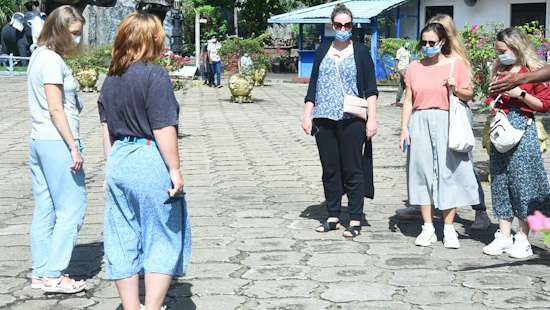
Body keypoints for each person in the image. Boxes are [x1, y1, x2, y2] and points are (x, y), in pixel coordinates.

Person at [98, 12, 191, 310]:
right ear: (152, 39)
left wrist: (110, 168)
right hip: (148, 156)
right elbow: (163, 127)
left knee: (122, 235)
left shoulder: (111, 79)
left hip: (120, 159)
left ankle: (130, 306)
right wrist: (175, 170)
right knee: (162, 235)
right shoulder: (154, 75)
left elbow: (106, 129)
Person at [396, 14, 491, 231]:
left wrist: (454, 87)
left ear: (444, 37)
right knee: (422, 168)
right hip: (422, 118)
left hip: (451, 117)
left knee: (456, 167)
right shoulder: (415, 67)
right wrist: (404, 128)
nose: (428, 46)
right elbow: (409, 98)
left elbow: (468, 93)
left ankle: (478, 209)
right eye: (424, 42)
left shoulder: (456, 61)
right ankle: (425, 215)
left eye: (433, 41)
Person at [301, 3, 378, 239]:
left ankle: (355, 218)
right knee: (330, 169)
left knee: (352, 169)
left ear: (352, 26)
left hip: (352, 117)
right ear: (332, 25)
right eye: (339, 25)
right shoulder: (323, 49)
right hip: (324, 117)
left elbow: (370, 89)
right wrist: (307, 113)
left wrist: (372, 119)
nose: (343, 28)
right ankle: (333, 214)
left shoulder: (361, 52)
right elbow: (313, 84)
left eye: (347, 25)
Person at [27, 5, 87, 294]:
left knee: (46, 208)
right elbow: (55, 108)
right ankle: (54, 273)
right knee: (72, 208)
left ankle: (40, 272)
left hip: (39, 140)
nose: (77, 40)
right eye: (74, 34)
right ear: (60, 31)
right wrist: (74, 147)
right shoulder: (50, 60)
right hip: (57, 141)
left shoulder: (37, 56)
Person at [482, 28, 550, 259]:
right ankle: (503, 234)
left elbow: (543, 105)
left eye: (504, 51)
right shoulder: (499, 69)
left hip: (523, 128)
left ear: (517, 47)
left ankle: (523, 237)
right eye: (498, 51)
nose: (501, 55)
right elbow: (490, 96)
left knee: (525, 182)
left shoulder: (534, 71)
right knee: (500, 180)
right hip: (500, 129)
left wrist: (519, 92)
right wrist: (492, 103)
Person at [394, 41, 411, 106]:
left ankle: (397, 100)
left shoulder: (408, 51)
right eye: (407, 42)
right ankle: (408, 99)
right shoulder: (400, 50)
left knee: (402, 85)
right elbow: (397, 60)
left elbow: (410, 60)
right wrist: (396, 69)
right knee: (407, 82)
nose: (408, 44)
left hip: (407, 69)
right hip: (401, 68)